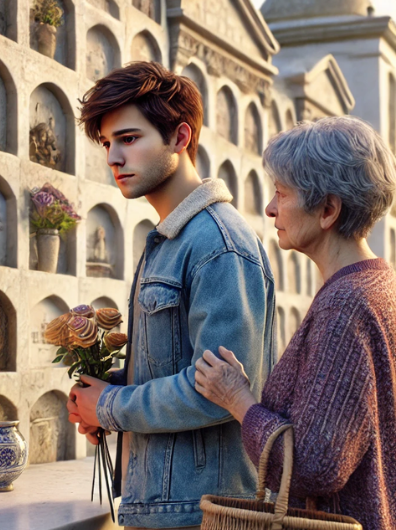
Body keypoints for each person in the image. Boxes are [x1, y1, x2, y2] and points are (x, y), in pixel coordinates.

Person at [67, 61, 276, 529]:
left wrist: (110, 406)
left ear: (180, 138)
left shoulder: (218, 245)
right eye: (107, 143)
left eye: (129, 138)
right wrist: (108, 389)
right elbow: (180, 367)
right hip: (159, 508)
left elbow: (220, 394)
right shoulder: (169, 240)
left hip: (202, 513)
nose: (113, 158)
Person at [194, 116, 396, 530]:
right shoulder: (380, 283)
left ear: (327, 210)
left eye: (281, 194)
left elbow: (314, 465)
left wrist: (237, 399)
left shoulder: (347, 306)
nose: (269, 209)